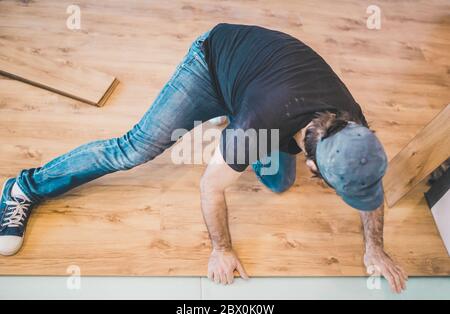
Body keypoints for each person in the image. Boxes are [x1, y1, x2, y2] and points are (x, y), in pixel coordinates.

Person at [0, 23, 407, 293]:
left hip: (262, 85)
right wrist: (221, 249)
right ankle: (24, 188)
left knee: (280, 183)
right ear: (313, 163)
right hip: (212, 62)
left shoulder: (353, 124)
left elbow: (369, 183)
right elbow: (209, 187)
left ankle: (234, 105)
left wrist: (376, 248)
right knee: (135, 148)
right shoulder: (258, 126)